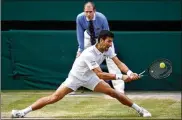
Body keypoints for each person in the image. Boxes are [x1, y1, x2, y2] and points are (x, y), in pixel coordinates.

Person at [11, 30, 151, 118]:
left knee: (114, 93)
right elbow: (101, 75)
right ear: (101, 40)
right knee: (55, 97)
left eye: (111, 42)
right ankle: (22, 112)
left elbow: (119, 63)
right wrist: (121, 77)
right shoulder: (88, 53)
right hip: (76, 77)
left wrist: (130, 72)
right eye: (108, 41)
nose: (110, 44)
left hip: (90, 78)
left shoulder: (107, 49)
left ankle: (140, 110)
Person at [76, 1, 125, 93]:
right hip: (88, 38)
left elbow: (107, 34)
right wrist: (81, 49)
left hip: (103, 39)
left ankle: (119, 89)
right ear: (84, 11)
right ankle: (73, 86)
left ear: (94, 11)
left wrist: (106, 46)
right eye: (86, 11)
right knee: (79, 60)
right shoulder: (79, 18)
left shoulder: (101, 18)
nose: (88, 14)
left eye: (90, 11)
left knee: (112, 61)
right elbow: (80, 33)